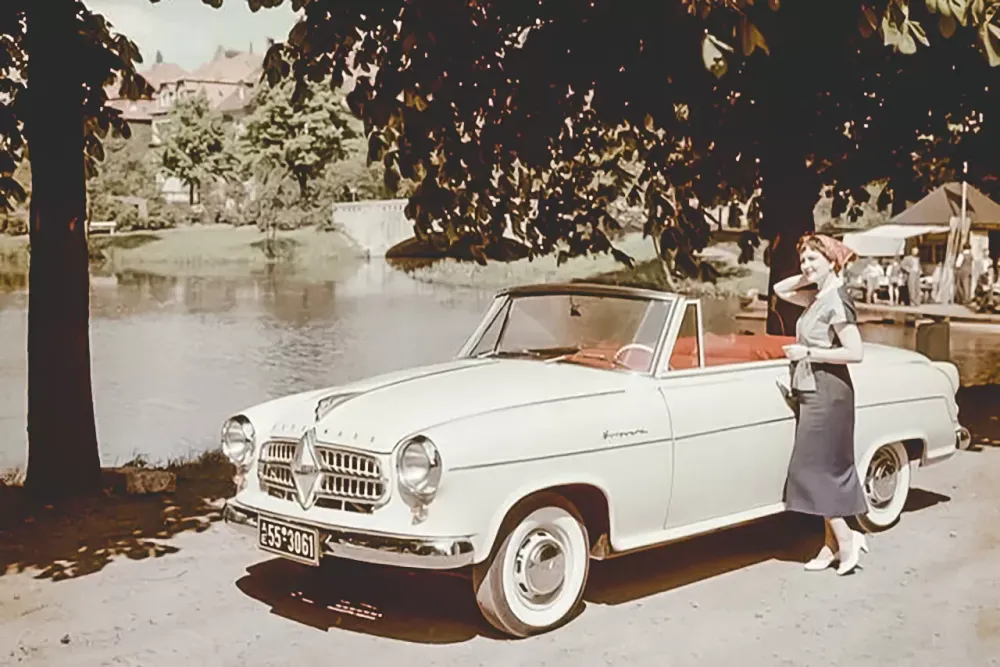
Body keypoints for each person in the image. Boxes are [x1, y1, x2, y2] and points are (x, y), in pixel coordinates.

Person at [773, 233, 869, 576]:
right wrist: (812, 274)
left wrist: (809, 352)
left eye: (813, 258)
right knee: (823, 468)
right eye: (803, 259)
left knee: (811, 469)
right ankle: (830, 546)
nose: (805, 265)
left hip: (829, 390)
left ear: (832, 261)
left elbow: (855, 352)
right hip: (812, 389)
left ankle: (846, 537)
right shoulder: (817, 297)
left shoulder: (836, 302)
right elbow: (780, 290)